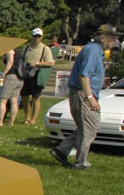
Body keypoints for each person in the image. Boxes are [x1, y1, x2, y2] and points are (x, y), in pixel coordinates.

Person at [50, 24, 120, 170]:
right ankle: (81, 163)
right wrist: (90, 97)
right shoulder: (93, 51)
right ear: (102, 38)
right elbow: (84, 75)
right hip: (83, 93)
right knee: (90, 127)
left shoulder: (95, 50)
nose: (115, 41)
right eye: (112, 38)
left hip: (82, 93)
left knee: (86, 127)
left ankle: (61, 150)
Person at [21, 28, 56, 126]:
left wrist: (38, 63)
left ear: (41, 37)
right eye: (35, 36)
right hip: (26, 74)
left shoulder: (45, 49)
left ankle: (34, 119)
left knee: (35, 97)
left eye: (39, 36)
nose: (36, 38)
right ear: (31, 36)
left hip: (37, 74)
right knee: (25, 97)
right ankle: (27, 116)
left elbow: (50, 62)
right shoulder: (27, 48)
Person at [0, 47, 24, 126]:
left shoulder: (10, 51)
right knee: (14, 101)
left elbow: (10, 62)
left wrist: (3, 74)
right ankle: (11, 122)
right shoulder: (19, 53)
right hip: (20, 79)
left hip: (11, 77)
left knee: (3, 100)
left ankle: (0, 122)